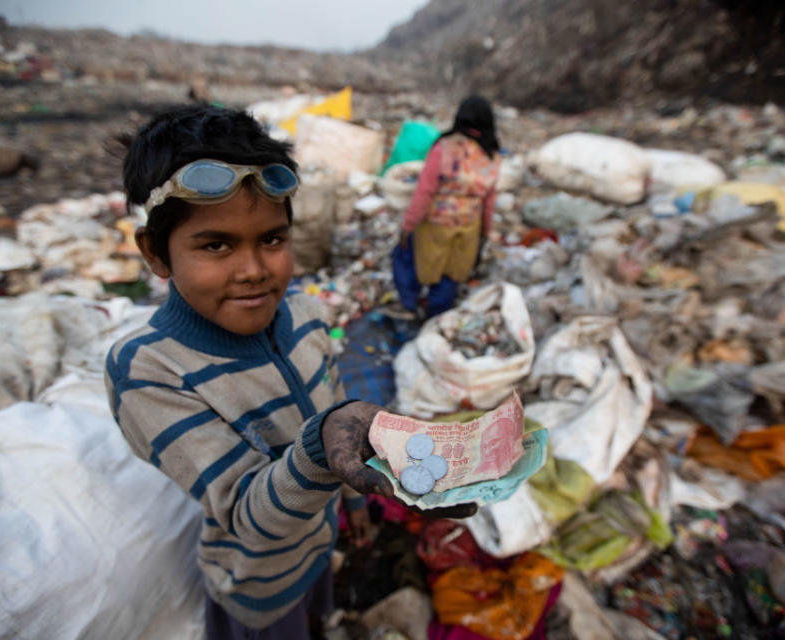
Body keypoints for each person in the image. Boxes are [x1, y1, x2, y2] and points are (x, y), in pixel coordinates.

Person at [105, 106, 468, 638]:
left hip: (319, 544)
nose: (253, 269)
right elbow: (245, 510)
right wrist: (323, 448)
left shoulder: (304, 313)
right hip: (259, 583)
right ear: (155, 253)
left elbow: (336, 407)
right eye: (216, 245)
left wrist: (351, 497)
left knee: (317, 614)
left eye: (272, 239)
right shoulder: (149, 370)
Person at [395, 95, 502, 317]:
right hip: (468, 226)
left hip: (436, 224)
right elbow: (489, 201)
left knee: (408, 257)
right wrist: (486, 231)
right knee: (452, 273)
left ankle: (409, 304)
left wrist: (408, 225)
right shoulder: (492, 156)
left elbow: (424, 192)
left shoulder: (444, 148)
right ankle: (436, 316)